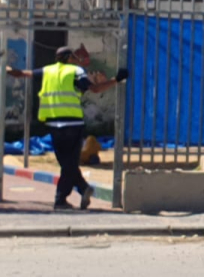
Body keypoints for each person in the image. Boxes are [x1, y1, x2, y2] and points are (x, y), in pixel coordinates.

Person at [6, 47, 126, 211]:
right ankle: (62, 199)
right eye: (74, 57)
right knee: (69, 164)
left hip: (54, 125)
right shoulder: (75, 71)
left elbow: (20, 73)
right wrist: (116, 79)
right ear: (69, 57)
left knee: (66, 163)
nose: (76, 59)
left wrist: (4, 66)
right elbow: (95, 89)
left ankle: (82, 189)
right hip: (73, 124)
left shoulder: (48, 70)